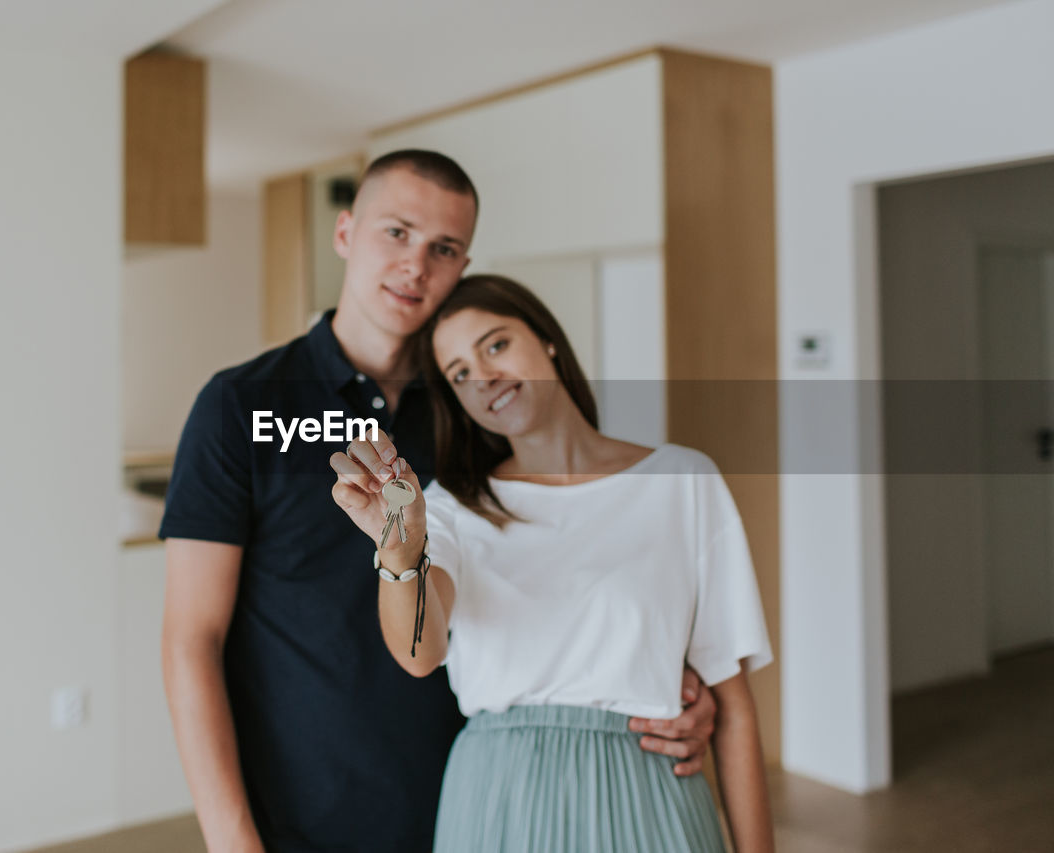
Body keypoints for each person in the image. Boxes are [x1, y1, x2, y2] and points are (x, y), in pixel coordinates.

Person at [160, 151, 717, 853]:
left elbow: (571, 563)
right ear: (345, 234)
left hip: (479, 800)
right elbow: (191, 638)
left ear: (462, 265)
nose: (416, 265)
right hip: (299, 815)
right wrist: (230, 837)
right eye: (396, 232)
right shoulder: (242, 404)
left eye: (443, 248)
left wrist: (678, 690)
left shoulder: (478, 410)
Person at [330, 274, 775, 851]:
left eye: (495, 345)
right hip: (498, 799)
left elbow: (733, 704)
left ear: (547, 340)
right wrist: (398, 547)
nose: (485, 377)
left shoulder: (683, 480)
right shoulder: (446, 507)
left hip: (647, 792)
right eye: (460, 373)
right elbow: (420, 653)